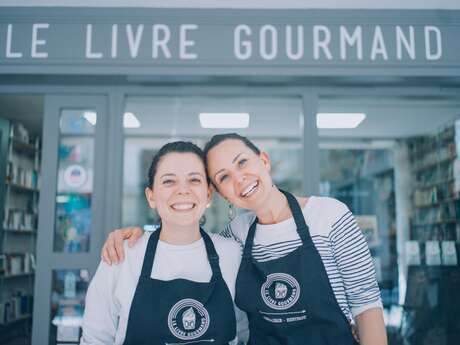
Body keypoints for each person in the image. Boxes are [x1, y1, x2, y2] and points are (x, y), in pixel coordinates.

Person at [102, 133, 388, 345]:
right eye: (224, 177)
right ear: (221, 194)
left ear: (263, 160)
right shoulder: (236, 236)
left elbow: (367, 305)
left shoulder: (329, 216)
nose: (239, 179)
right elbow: (184, 243)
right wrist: (134, 235)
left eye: (243, 162)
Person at [80, 141, 247, 345]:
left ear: (208, 194)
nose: (183, 190)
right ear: (151, 197)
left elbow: (244, 332)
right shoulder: (122, 256)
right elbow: (96, 339)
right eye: (169, 181)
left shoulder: (232, 253)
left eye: (194, 180)